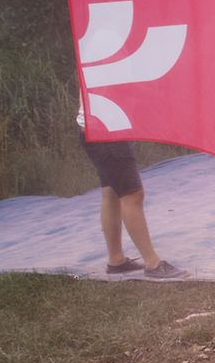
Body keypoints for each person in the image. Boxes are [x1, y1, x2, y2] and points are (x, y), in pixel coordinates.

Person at [77, 101, 188, 280]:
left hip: (96, 126)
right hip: (106, 129)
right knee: (132, 195)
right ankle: (153, 264)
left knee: (112, 192)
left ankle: (116, 261)